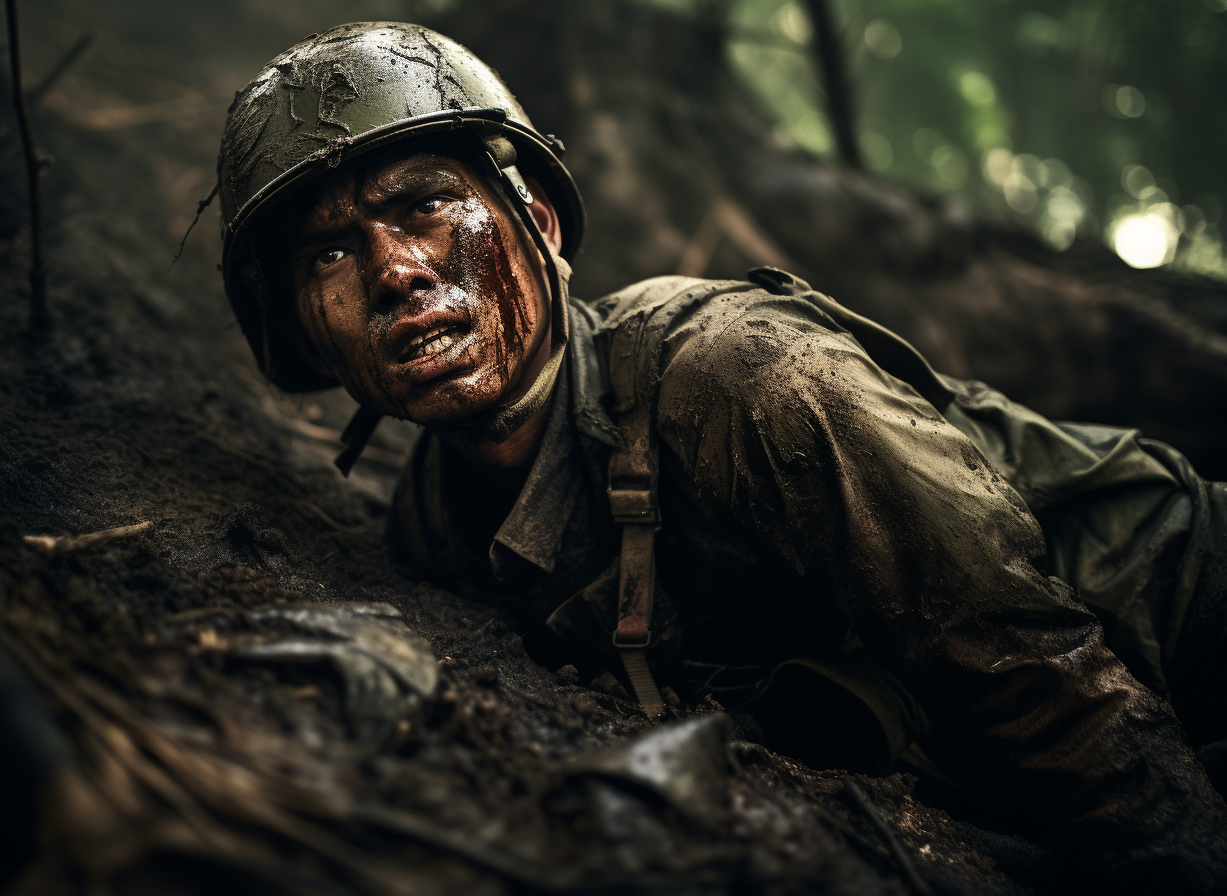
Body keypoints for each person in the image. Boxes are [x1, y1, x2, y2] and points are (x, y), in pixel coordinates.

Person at [215, 22, 1227, 891]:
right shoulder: (438, 520)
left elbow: (1049, 683)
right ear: (308, 332)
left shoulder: (745, 379)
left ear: (543, 224)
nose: (393, 269)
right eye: (330, 254)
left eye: (426, 202)